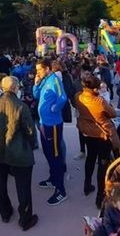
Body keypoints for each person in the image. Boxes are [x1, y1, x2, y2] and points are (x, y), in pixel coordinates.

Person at [0, 76, 39, 231]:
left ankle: (5, 213)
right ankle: (25, 219)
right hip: (18, 151)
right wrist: (32, 145)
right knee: (23, 186)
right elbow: (30, 131)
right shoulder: (21, 106)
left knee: (0, 184)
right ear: (15, 88)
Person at [75, 75, 120, 208]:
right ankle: (100, 196)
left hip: (88, 133)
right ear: (95, 88)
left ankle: (87, 184)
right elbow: (113, 113)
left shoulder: (78, 96)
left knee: (90, 157)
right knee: (102, 164)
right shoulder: (99, 101)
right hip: (102, 134)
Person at [33, 58, 68, 206]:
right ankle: (53, 179)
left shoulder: (54, 80)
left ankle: (61, 190)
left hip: (53, 125)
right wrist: (36, 84)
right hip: (44, 123)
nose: (38, 72)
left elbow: (63, 97)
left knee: (55, 155)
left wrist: (55, 109)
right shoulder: (44, 80)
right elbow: (36, 96)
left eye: (39, 69)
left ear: (47, 69)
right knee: (47, 152)